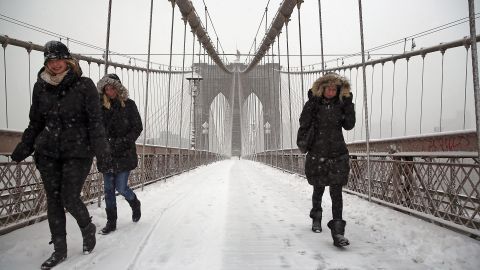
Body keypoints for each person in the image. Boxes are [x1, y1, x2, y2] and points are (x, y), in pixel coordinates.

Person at [10, 40, 110, 269]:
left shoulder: (84, 86)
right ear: (46, 62)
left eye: (59, 59)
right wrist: (23, 148)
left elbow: (96, 123)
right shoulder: (40, 87)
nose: (55, 64)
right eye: (50, 60)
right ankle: (59, 250)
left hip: (78, 152)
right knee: (54, 201)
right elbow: (35, 122)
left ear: (68, 59)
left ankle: (87, 227)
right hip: (48, 152)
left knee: (69, 196)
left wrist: (103, 153)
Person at [297, 72, 355, 247]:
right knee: (319, 189)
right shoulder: (313, 104)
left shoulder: (341, 104)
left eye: (333, 89)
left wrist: (348, 104)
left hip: (337, 154)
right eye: (327, 88)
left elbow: (349, 125)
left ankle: (338, 232)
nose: (330, 91)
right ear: (321, 90)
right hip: (318, 153)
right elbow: (303, 122)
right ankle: (317, 217)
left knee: (336, 193)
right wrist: (311, 103)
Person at [96, 73, 143, 235]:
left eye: (112, 88)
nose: (109, 91)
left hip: (124, 152)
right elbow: (95, 128)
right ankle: (111, 222)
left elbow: (137, 127)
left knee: (121, 187)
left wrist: (123, 142)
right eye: (106, 88)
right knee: (108, 190)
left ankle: (134, 203)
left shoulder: (129, 105)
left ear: (118, 88)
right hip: (107, 154)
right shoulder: (100, 107)